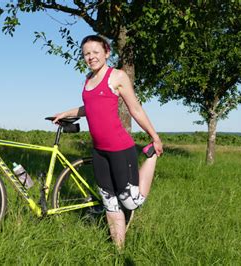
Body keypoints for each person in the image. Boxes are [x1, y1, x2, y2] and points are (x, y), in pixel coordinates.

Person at [53, 35, 163, 249]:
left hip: (121, 149)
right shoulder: (88, 79)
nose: (91, 57)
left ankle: (150, 156)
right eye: (86, 53)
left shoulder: (117, 76)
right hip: (99, 152)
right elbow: (90, 108)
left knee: (131, 201)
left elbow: (135, 109)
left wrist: (154, 136)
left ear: (107, 52)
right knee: (110, 204)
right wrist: (65, 113)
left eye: (95, 52)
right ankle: (118, 252)